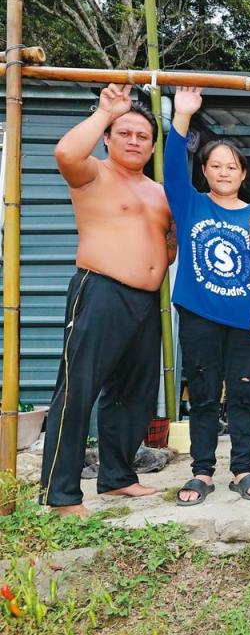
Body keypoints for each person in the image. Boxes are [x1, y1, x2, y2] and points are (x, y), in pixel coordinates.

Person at [39, 84, 174, 517]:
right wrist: (105, 111)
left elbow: (170, 241)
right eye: (125, 133)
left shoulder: (158, 192)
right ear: (109, 139)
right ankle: (60, 494)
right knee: (78, 390)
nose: (135, 141)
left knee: (133, 393)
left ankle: (117, 477)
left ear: (153, 146)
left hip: (145, 302)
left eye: (143, 136)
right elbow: (64, 154)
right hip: (99, 291)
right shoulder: (93, 173)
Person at [164, 86, 250, 506]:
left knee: (244, 396)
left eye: (232, 167)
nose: (224, 172)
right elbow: (174, 168)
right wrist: (183, 117)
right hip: (199, 315)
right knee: (205, 395)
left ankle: (243, 469)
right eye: (216, 166)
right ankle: (202, 472)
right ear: (205, 172)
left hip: (246, 321)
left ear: (242, 174)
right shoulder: (190, 205)